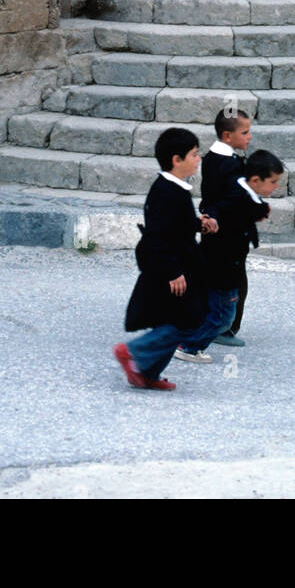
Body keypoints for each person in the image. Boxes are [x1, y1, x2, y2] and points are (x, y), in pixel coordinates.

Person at [113, 126, 218, 392]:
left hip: (179, 266)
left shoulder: (175, 188)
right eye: (194, 154)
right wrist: (172, 272)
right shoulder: (166, 192)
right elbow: (156, 236)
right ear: (176, 160)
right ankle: (135, 353)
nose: (199, 159)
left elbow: (176, 224)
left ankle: (147, 372)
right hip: (172, 269)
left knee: (174, 320)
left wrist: (198, 224)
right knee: (185, 322)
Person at [174, 148, 285, 365]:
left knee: (213, 307)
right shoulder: (238, 196)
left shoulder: (244, 193)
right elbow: (224, 208)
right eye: (273, 182)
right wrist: (212, 219)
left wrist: (260, 210)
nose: (276, 186)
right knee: (224, 316)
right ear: (255, 180)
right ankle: (189, 347)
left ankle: (184, 336)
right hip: (224, 265)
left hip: (222, 262)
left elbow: (243, 210)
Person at [197, 106, 253, 349]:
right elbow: (230, 199)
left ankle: (209, 320)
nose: (249, 137)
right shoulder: (228, 164)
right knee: (234, 282)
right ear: (228, 136)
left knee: (211, 277)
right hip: (228, 234)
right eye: (245, 132)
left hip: (216, 231)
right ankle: (225, 327)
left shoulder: (213, 158)